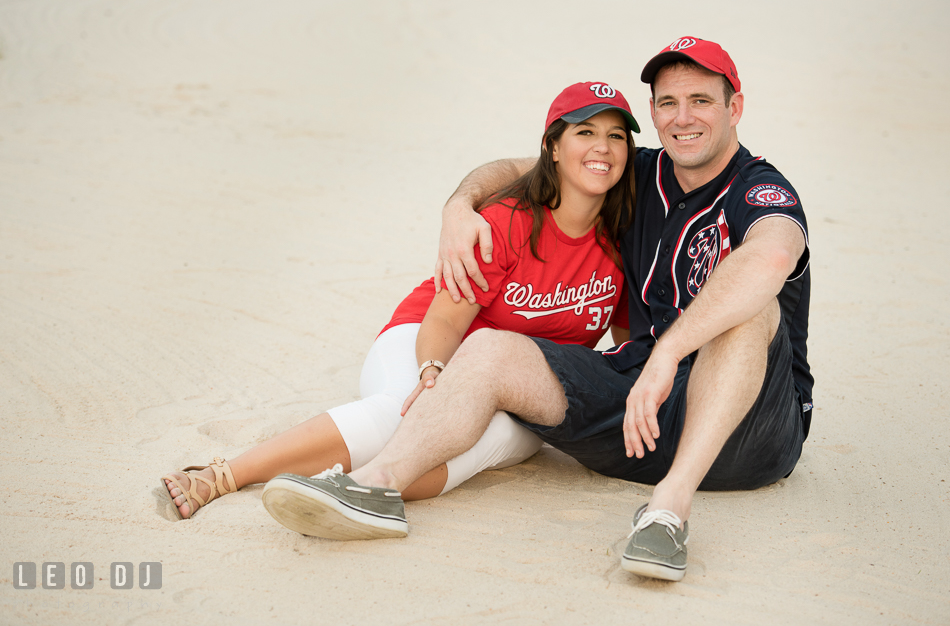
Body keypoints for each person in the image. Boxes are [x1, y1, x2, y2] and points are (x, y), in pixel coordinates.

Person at [268, 37, 813, 583]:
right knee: (490, 348)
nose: (683, 117)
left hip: (750, 431)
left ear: (734, 107)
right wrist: (459, 206)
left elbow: (771, 256)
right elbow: (526, 170)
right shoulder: (640, 172)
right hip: (642, 418)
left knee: (751, 312)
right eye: (668, 103)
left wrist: (669, 352)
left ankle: (666, 513)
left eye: (701, 100)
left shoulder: (760, 190)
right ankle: (376, 486)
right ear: (653, 112)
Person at [161, 81, 641, 524]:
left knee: (477, 445)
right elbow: (445, 321)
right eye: (586, 131)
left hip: (520, 385)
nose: (603, 147)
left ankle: (334, 490)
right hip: (428, 339)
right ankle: (223, 474)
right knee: (408, 413)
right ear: (553, 148)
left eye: (617, 136)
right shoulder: (507, 222)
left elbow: (623, 348)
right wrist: (434, 374)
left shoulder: (624, 243)